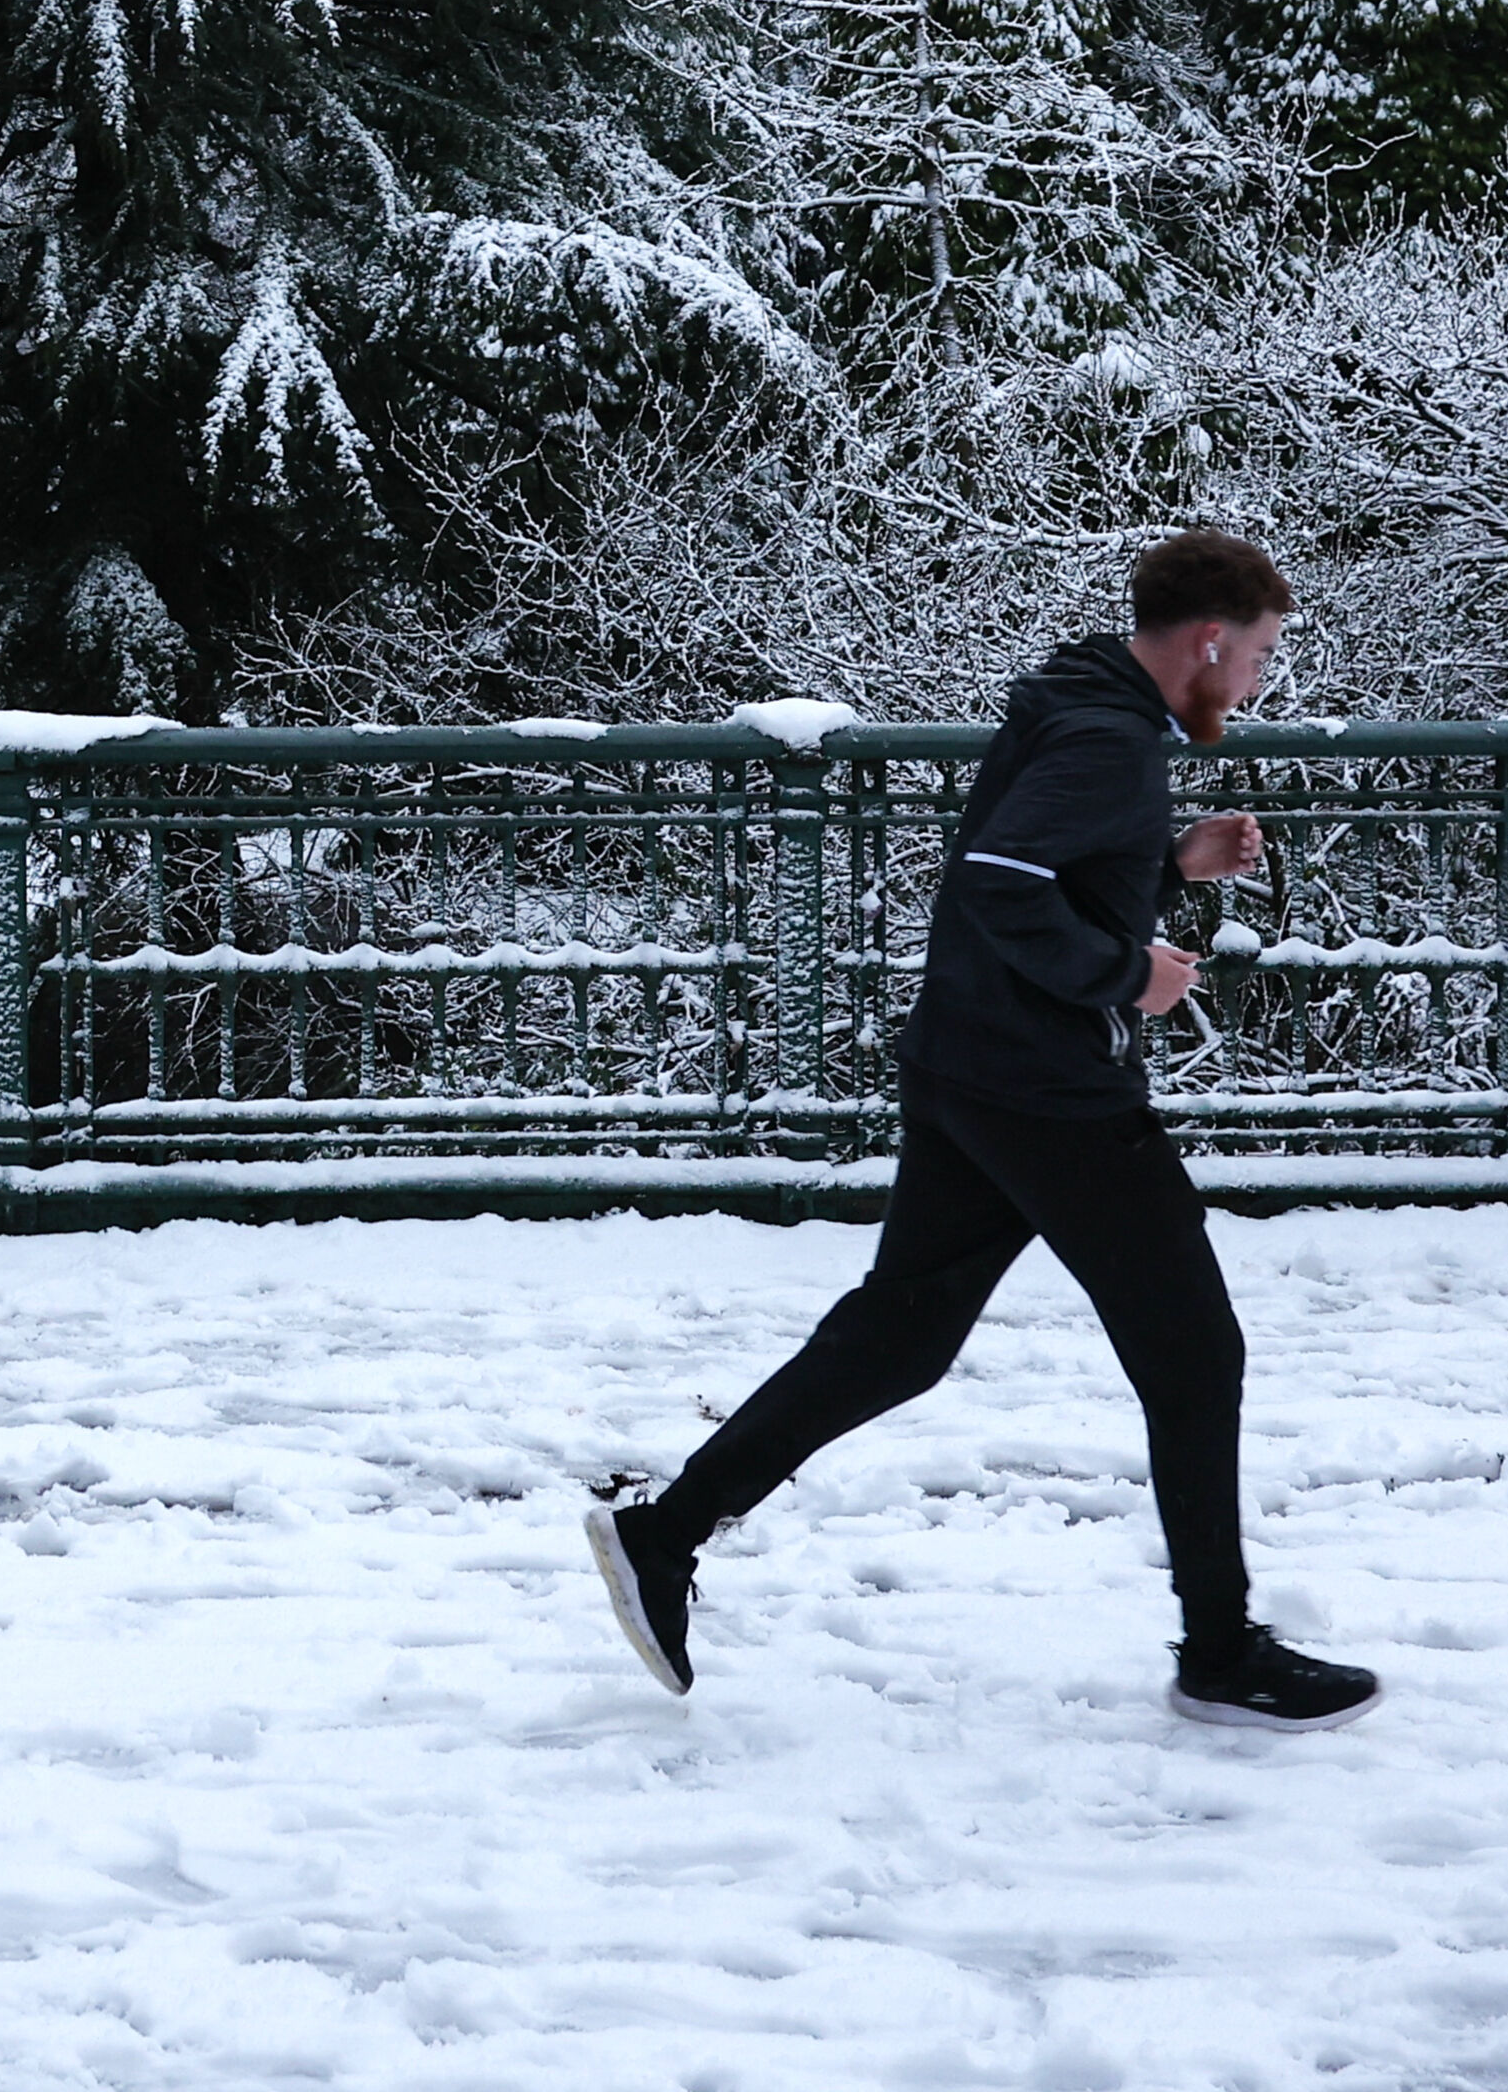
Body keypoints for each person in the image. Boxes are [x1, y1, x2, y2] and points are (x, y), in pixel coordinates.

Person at [584, 527, 1380, 1730]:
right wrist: (1130, 972)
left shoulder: (1081, 701)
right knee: (1194, 1354)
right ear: (1209, 640)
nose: (1264, 677)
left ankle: (663, 1531)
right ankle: (1219, 1651)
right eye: (1261, 652)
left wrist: (1164, 864)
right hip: (1053, 1091)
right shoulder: (1111, 738)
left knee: (899, 1339)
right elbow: (997, 881)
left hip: (972, 1066)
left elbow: (1030, 861)